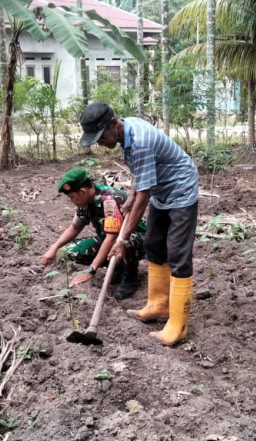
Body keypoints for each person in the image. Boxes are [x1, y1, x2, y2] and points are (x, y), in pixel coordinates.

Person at [79, 102, 199, 346]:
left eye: (101, 138)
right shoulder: (127, 135)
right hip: (162, 191)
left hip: (181, 190)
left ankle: (179, 326)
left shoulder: (141, 141)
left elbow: (145, 195)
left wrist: (122, 240)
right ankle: (158, 305)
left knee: (177, 253)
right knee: (154, 245)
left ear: (114, 123)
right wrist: (131, 196)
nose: (100, 144)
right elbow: (140, 176)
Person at [41, 167, 145, 300]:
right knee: (72, 251)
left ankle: (130, 278)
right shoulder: (85, 202)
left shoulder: (109, 200)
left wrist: (92, 270)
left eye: (72, 197)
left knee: (126, 241)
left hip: (134, 239)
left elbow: (112, 238)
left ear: (82, 191)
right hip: (108, 239)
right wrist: (54, 248)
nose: (71, 201)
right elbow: (75, 227)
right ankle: (118, 267)